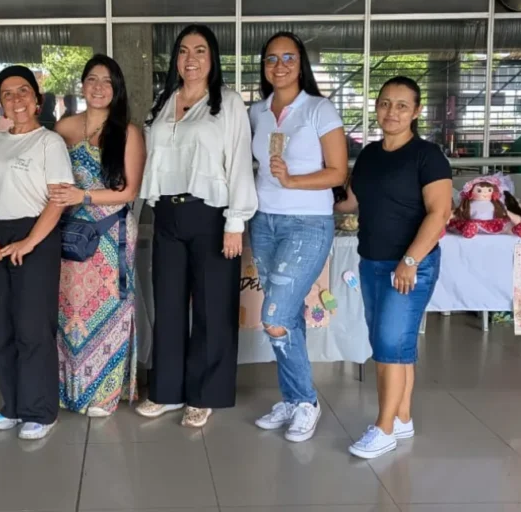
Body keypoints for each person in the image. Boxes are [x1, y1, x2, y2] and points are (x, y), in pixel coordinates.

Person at [137, 24, 258, 428]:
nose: (191, 59)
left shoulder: (228, 102)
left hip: (211, 214)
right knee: (168, 304)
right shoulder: (164, 101)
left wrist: (235, 222)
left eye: (200, 50)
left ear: (213, 58)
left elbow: (239, 161)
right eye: (184, 51)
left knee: (213, 307)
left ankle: (205, 393)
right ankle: (167, 390)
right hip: (167, 214)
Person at [335, 76, 452, 460]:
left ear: (416, 111)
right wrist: (299, 184)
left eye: (402, 105)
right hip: (372, 261)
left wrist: (410, 260)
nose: (392, 112)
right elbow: (349, 202)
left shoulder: (427, 156)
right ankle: (402, 418)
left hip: (410, 266)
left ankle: (383, 428)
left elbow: (440, 213)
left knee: (389, 346)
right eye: (385, 103)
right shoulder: (369, 154)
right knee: (393, 344)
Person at [248, 32, 348, 442]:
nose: (280, 65)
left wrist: (293, 180)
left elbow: (338, 172)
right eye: (272, 58)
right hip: (264, 221)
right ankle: (292, 400)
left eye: (288, 57)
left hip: (307, 223)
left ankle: (306, 401)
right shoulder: (256, 112)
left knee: (274, 317)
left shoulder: (319, 109)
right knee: (287, 315)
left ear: (301, 62)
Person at [0, 65, 75, 440]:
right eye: (7, 94)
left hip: (37, 234)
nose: (15, 99)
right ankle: (13, 405)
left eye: (22, 91)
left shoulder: (49, 142)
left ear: (37, 99)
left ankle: (40, 410)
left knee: (33, 326)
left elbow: (58, 198)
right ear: (1, 104)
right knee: (3, 325)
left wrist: (29, 242)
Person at [49, 55, 145, 418]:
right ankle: (69, 390)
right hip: (69, 231)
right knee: (69, 310)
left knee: (110, 309)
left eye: (107, 81)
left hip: (110, 233)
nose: (99, 87)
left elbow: (129, 191)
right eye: (92, 79)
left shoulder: (128, 133)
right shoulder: (64, 128)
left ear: (116, 88)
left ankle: (103, 394)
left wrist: (83, 196)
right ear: (83, 85)